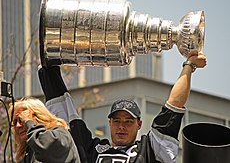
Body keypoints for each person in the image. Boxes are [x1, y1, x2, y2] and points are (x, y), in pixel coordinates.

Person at [38, 52, 207, 163]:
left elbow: (174, 106)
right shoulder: (93, 150)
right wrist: (48, 64)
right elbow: (64, 112)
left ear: (139, 125)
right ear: (109, 123)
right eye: (117, 120)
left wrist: (189, 66)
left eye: (128, 121)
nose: (121, 126)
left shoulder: (149, 150)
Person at [9, 97, 81, 163]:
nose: (18, 125)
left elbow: (46, 147)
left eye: (22, 120)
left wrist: (29, 122)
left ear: (39, 117)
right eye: (15, 122)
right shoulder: (28, 150)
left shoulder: (60, 135)